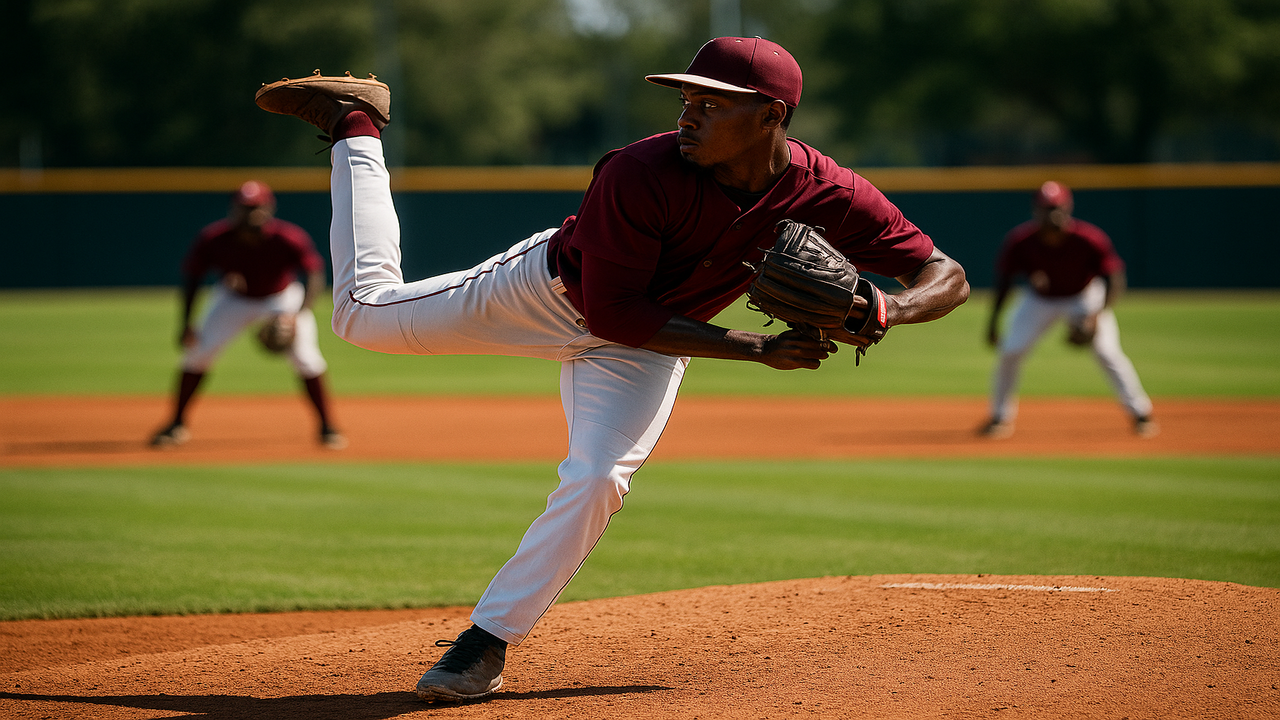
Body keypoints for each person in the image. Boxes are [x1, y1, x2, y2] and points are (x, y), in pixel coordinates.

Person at [255, 36, 969, 703]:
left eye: (711, 105)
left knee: (600, 477)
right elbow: (614, 315)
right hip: (548, 295)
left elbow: (946, 274)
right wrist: (756, 347)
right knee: (357, 314)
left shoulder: (828, 192)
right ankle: (357, 126)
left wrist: (887, 308)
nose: (688, 115)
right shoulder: (639, 171)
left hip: (648, 341)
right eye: (686, 100)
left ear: (771, 117)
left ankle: (485, 642)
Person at [149, 180, 347, 450]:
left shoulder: (287, 237)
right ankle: (176, 424)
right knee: (197, 354)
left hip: (282, 297)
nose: (250, 213)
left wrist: (299, 315)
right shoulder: (214, 238)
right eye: (244, 207)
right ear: (234, 209)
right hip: (234, 299)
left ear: (269, 208)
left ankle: (327, 426)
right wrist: (187, 323)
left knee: (307, 359)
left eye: (256, 207)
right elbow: (193, 277)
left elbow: (313, 273)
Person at [979, 180, 1156, 439]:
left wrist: (1096, 316)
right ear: (1035, 210)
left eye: (1056, 207)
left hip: (1083, 296)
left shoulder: (1088, 238)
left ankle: (1141, 413)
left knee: (1107, 353)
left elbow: (1115, 278)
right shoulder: (1021, 241)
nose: (1052, 214)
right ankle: (999, 417)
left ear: (1068, 208)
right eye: (1045, 208)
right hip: (1040, 300)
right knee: (1011, 351)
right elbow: (1004, 282)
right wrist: (993, 323)